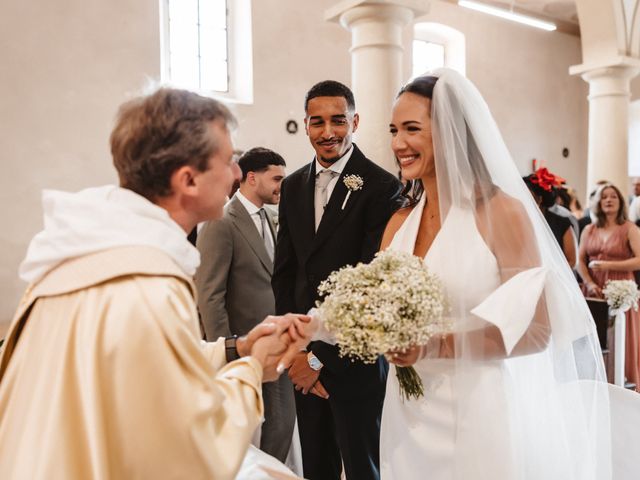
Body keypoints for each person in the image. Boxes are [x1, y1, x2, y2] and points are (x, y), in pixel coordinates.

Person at [0, 88, 307, 479]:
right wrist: (252, 369)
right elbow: (190, 448)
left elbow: (139, 360)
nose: (235, 173)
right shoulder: (148, 282)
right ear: (188, 180)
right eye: (228, 160)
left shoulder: (81, 254)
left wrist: (236, 348)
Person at [368, 69, 610, 478]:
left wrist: (435, 346)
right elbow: (376, 309)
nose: (397, 144)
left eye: (412, 129)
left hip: (476, 407)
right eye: (394, 130)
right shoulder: (398, 222)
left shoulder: (501, 213)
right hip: (407, 410)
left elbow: (535, 331)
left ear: (451, 132)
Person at [272, 80, 402, 480]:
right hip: (302, 359)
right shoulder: (292, 185)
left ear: (355, 121)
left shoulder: (381, 187)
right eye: (317, 122)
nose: (327, 132)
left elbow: (371, 285)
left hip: (354, 361)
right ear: (306, 125)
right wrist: (295, 349)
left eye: (338, 121)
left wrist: (319, 360)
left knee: (363, 467)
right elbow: (286, 273)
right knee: (317, 467)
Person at [195, 147, 294, 462]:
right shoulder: (223, 221)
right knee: (247, 433)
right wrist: (226, 350)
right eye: (276, 178)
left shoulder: (271, 218)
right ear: (252, 178)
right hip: (242, 346)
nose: (282, 185)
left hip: (275, 343)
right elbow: (210, 294)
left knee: (282, 426)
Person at [577, 183, 640, 389]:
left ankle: (625, 382)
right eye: (604, 197)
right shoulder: (589, 229)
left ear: (621, 202)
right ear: (598, 202)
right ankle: (596, 385)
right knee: (596, 338)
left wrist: (608, 265)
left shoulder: (629, 229)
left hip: (621, 287)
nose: (608, 200)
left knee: (622, 336)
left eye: (614, 196)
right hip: (594, 289)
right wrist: (589, 283)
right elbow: (580, 261)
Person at [522, 171, 577, 267]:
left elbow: (571, 260)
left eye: (527, 195)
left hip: (555, 276)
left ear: (539, 199)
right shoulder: (520, 220)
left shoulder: (562, 223)